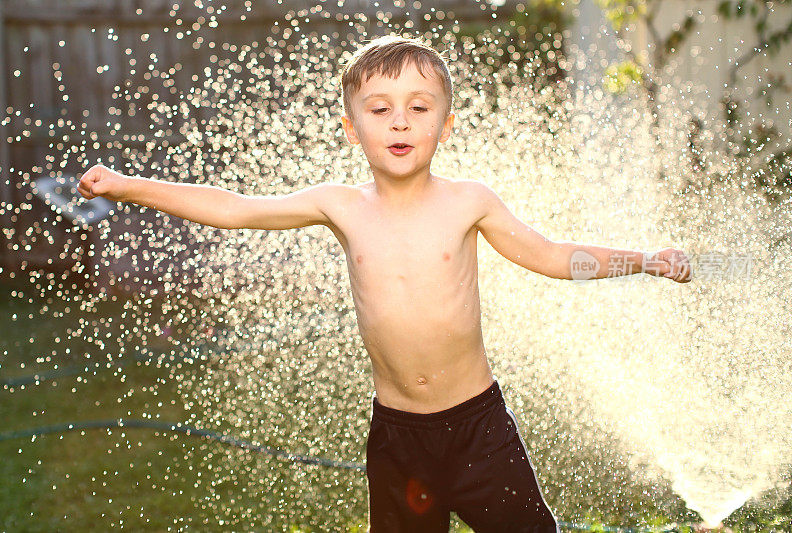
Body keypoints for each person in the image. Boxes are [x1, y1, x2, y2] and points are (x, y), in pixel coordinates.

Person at [77, 33, 692, 533]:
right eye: (380, 110)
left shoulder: (468, 203)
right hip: (398, 439)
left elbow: (554, 255)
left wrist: (644, 258)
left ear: (444, 126)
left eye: (419, 108)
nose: (400, 123)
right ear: (352, 128)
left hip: (480, 429)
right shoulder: (341, 206)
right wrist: (128, 186)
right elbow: (237, 207)